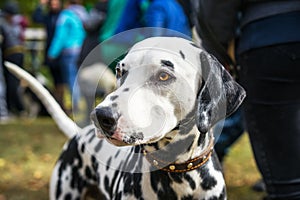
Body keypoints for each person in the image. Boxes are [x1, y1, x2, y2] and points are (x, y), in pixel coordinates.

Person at [193, 1, 300, 199]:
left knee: (288, 185)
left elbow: (215, 10)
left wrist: (216, 52)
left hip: (269, 39)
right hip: (271, 37)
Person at [48, 0, 88, 111]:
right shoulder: (83, 14)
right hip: (81, 50)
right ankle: (83, 104)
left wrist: (52, 53)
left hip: (69, 52)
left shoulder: (65, 15)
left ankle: (76, 105)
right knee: (79, 78)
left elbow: (60, 36)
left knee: (71, 79)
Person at [32, 0, 66, 109]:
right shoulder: (48, 17)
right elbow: (36, 18)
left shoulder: (63, 16)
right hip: (51, 53)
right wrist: (41, 4)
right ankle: (58, 103)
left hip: (61, 53)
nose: (54, 6)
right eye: (52, 4)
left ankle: (63, 103)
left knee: (62, 80)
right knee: (55, 79)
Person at [1, 1, 25, 116]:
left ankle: (16, 108)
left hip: (11, 53)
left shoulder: (4, 22)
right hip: (18, 52)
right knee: (14, 82)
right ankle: (15, 107)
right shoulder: (12, 22)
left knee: (11, 82)